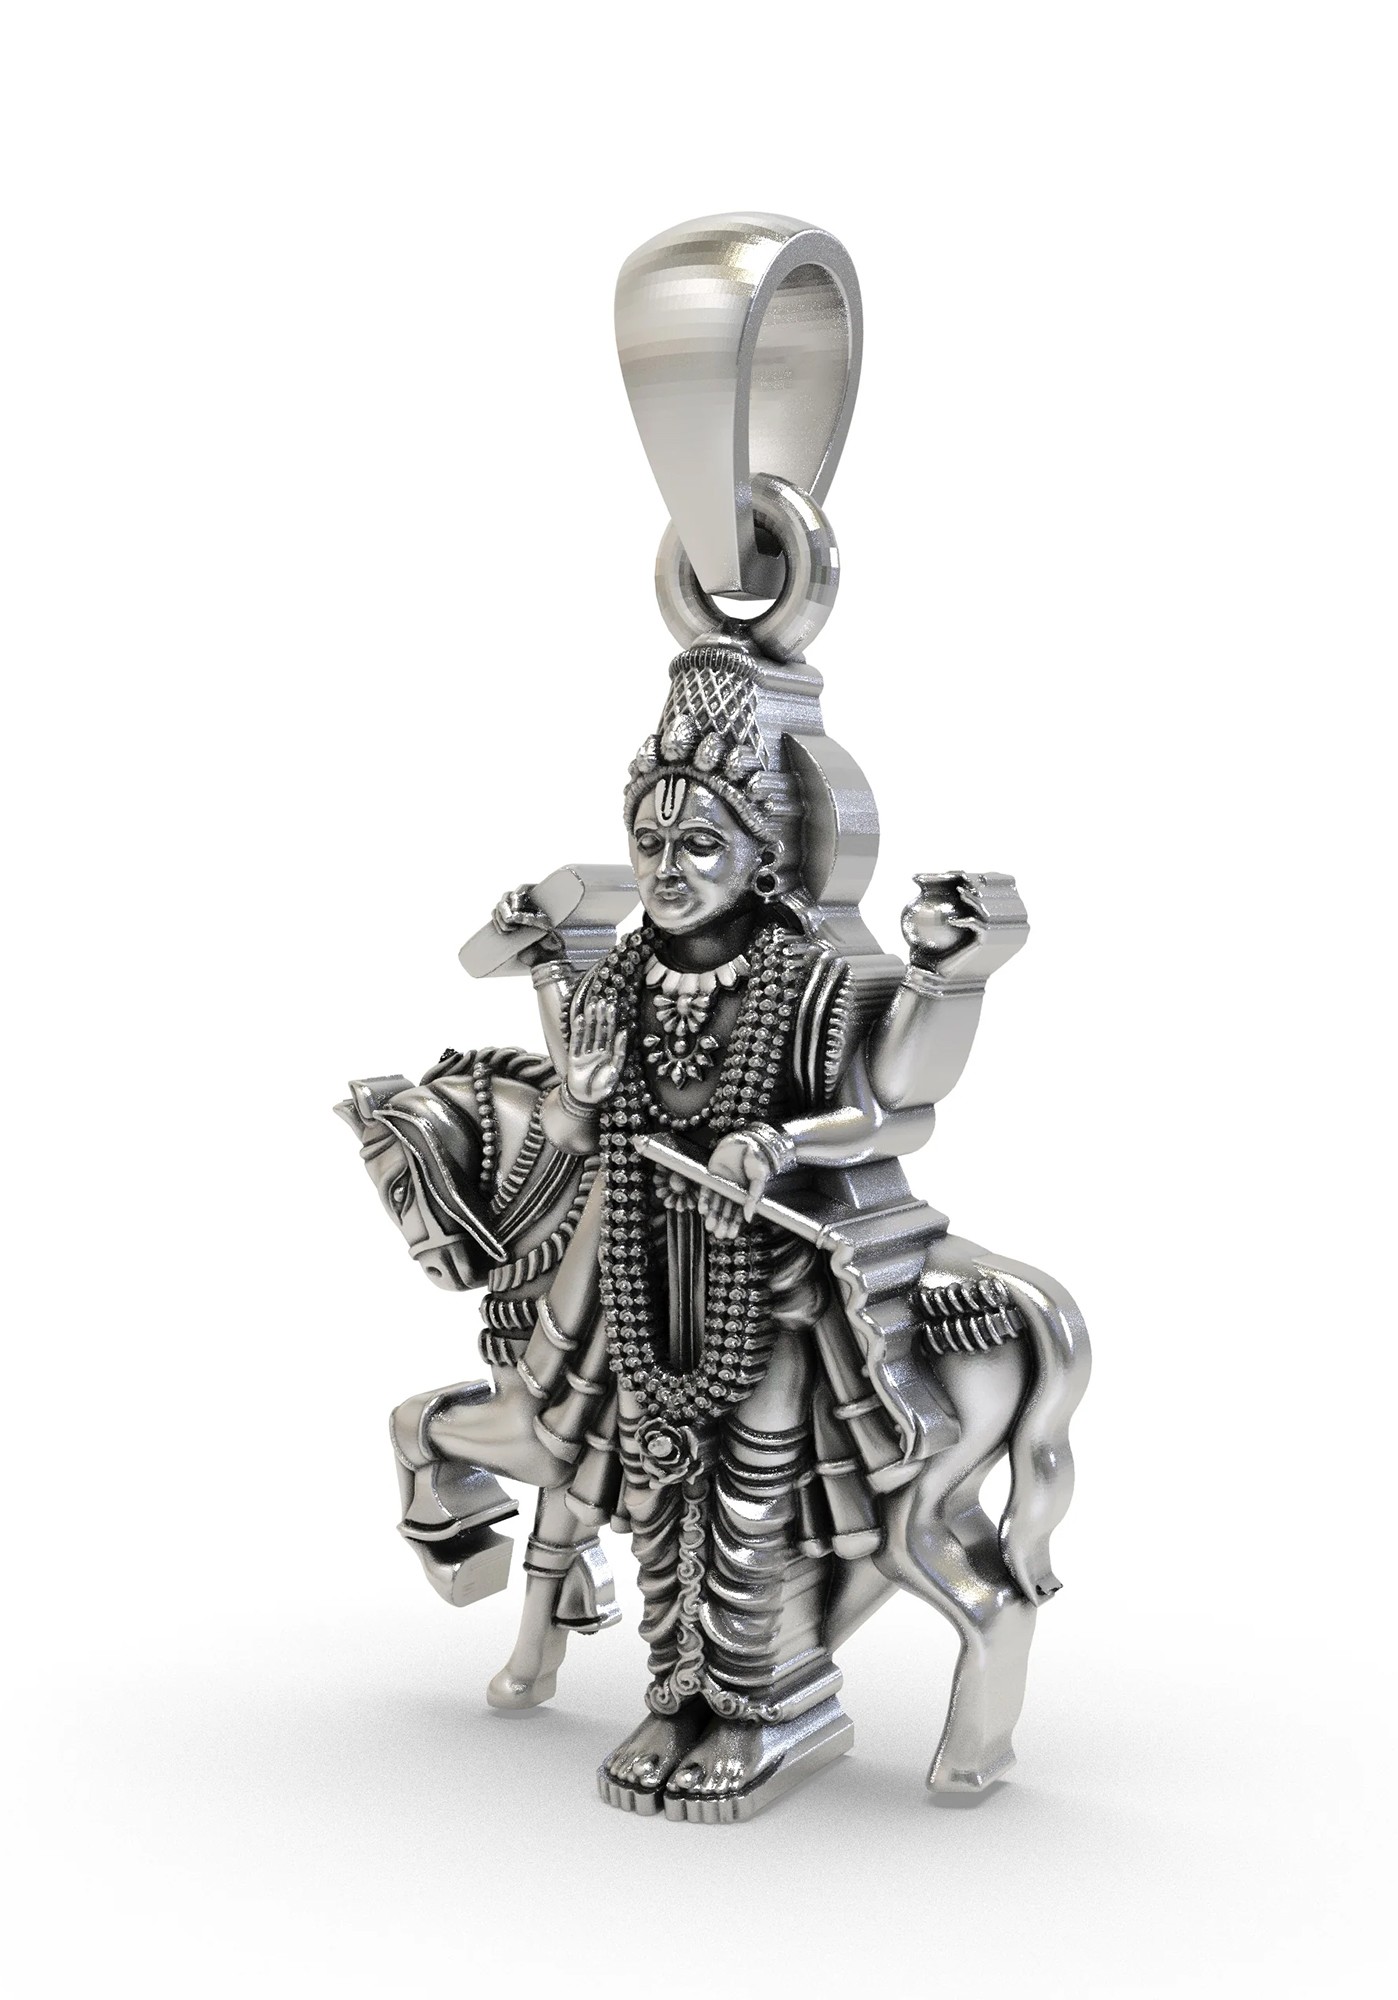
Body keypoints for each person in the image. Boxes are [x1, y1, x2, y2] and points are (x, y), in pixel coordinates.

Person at [499, 639, 944, 1820]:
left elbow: (891, 1116)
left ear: (764, 854)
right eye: (649, 841)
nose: (667, 867)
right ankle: (672, 1695)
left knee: (750, 1503)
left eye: (700, 843)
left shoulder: (809, 979)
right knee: (657, 1489)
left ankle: (763, 1706)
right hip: (644, 1275)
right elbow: (571, 1128)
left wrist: (780, 1145)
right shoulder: (614, 983)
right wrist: (580, 1096)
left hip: (767, 1288)